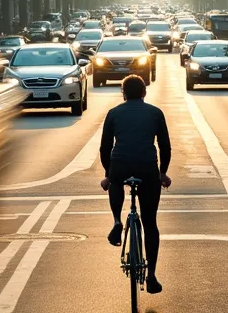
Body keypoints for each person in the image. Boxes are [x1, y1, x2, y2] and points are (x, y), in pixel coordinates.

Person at [99, 75, 172, 295]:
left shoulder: (113, 113)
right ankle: (151, 276)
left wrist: (108, 174)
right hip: (147, 168)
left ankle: (116, 221)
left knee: (116, 181)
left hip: (120, 164)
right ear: (144, 92)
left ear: (123, 93)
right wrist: (162, 173)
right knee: (150, 223)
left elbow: (104, 149)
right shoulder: (156, 113)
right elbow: (165, 147)